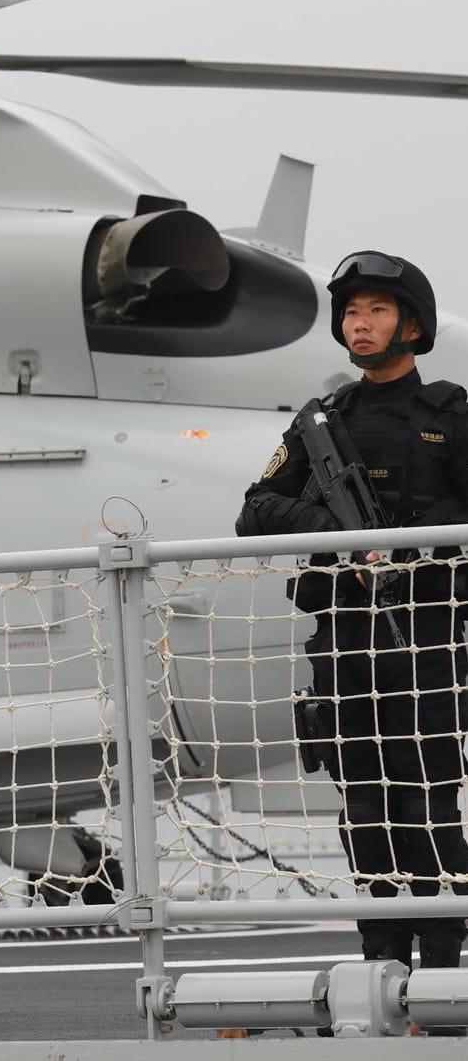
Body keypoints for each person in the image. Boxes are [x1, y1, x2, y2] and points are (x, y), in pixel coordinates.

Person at [237, 251, 468, 1002]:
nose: (358, 325)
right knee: (363, 804)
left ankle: (440, 970)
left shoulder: (452, 417)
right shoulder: (322, 423)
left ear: (413, 324)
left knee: (428, 804)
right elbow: (257, 508)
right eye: (350, 313)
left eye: (374, 311)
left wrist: (402, 540)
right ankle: (379, 962)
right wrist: (336, 534)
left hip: (429, 640)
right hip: (345, 644)